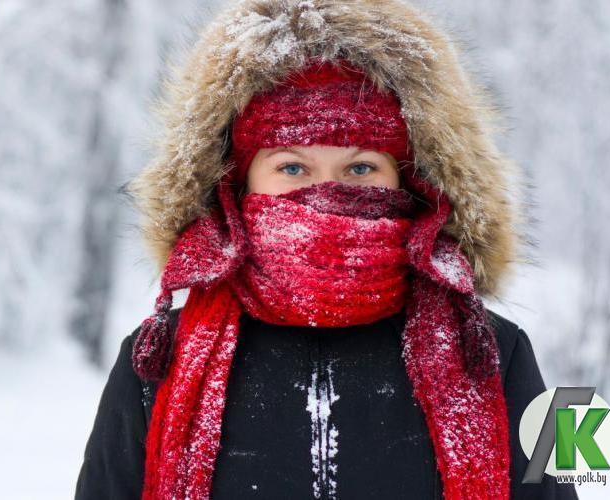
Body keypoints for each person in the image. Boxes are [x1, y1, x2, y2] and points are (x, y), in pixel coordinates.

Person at [75, 1, 579, 499]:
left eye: (360, 168)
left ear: (409, 181)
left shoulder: (496, 352)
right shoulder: (156, 362)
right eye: (292, 167)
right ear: (237, 185)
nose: (326, 192)